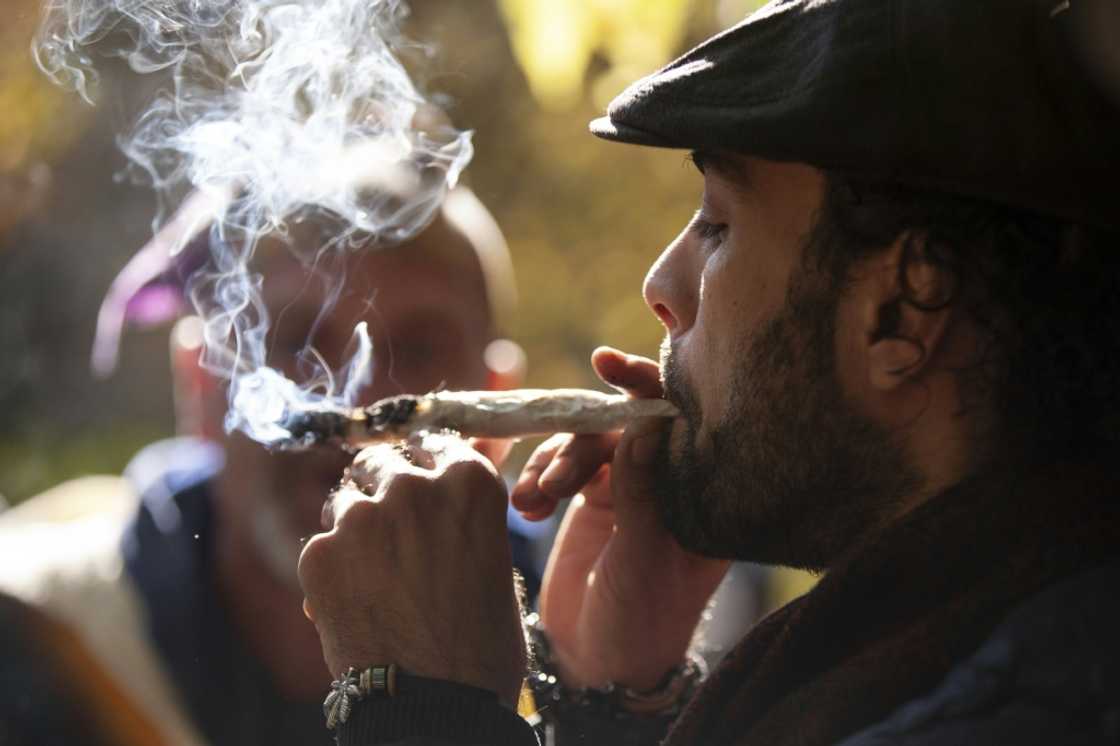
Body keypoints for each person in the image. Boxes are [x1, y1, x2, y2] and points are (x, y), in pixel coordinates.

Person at [294, 1, 1120, 744]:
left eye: (718, 226)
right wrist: (612, 705)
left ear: (903, 311)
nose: (661, 287)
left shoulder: (1021, 704)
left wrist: (422, 711)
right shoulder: (984, 637)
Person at [0, 184, 536, 745]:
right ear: (201, 383)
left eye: (419, 349)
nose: (360, 403)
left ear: (498, 409)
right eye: (295, 341)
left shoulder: (586, 637)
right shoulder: (41, 642)